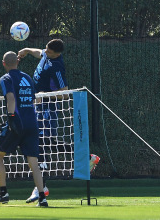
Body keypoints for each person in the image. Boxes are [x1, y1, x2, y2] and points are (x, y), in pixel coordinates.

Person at [18, 39, 100, 203]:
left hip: (48, 109)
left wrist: (44, 95)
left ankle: (41, 187)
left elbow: (64, 93)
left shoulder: (57, 68)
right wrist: (26, 49)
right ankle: (88, 157)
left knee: (43, 145)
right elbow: (38, 52)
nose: (45, 52)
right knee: (45, 143)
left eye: (49, 52)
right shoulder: (46, 54)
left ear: (57, 54)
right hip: (37, 108)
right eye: (46, 50)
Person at [0, 51, 48, 207]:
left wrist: (12, 117)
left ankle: (3, 193)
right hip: (32, 123)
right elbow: (35, 100)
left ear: (4, 63)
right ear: (18, 62)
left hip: (17, 123)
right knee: (33, 162)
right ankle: (42, 197)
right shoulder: (27, 78)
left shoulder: (6, 78)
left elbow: (10, 97)